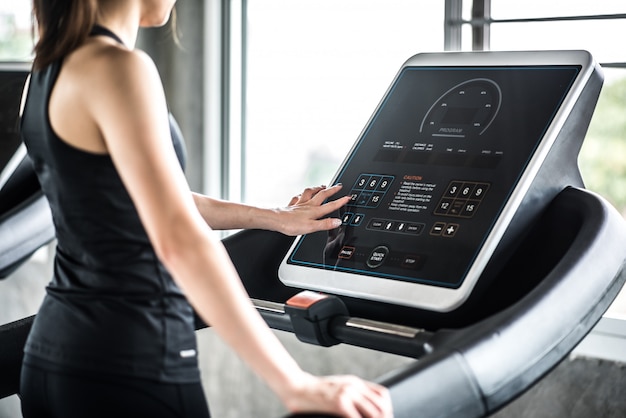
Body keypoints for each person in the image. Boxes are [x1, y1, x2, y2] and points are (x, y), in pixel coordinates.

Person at [18, 0, 393, 417]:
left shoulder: (46, 71)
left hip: (53, 357)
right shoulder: (119, 67)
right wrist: (295, 383)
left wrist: (275, 217)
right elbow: (179, 237)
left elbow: (148, 200)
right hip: (130, 359)